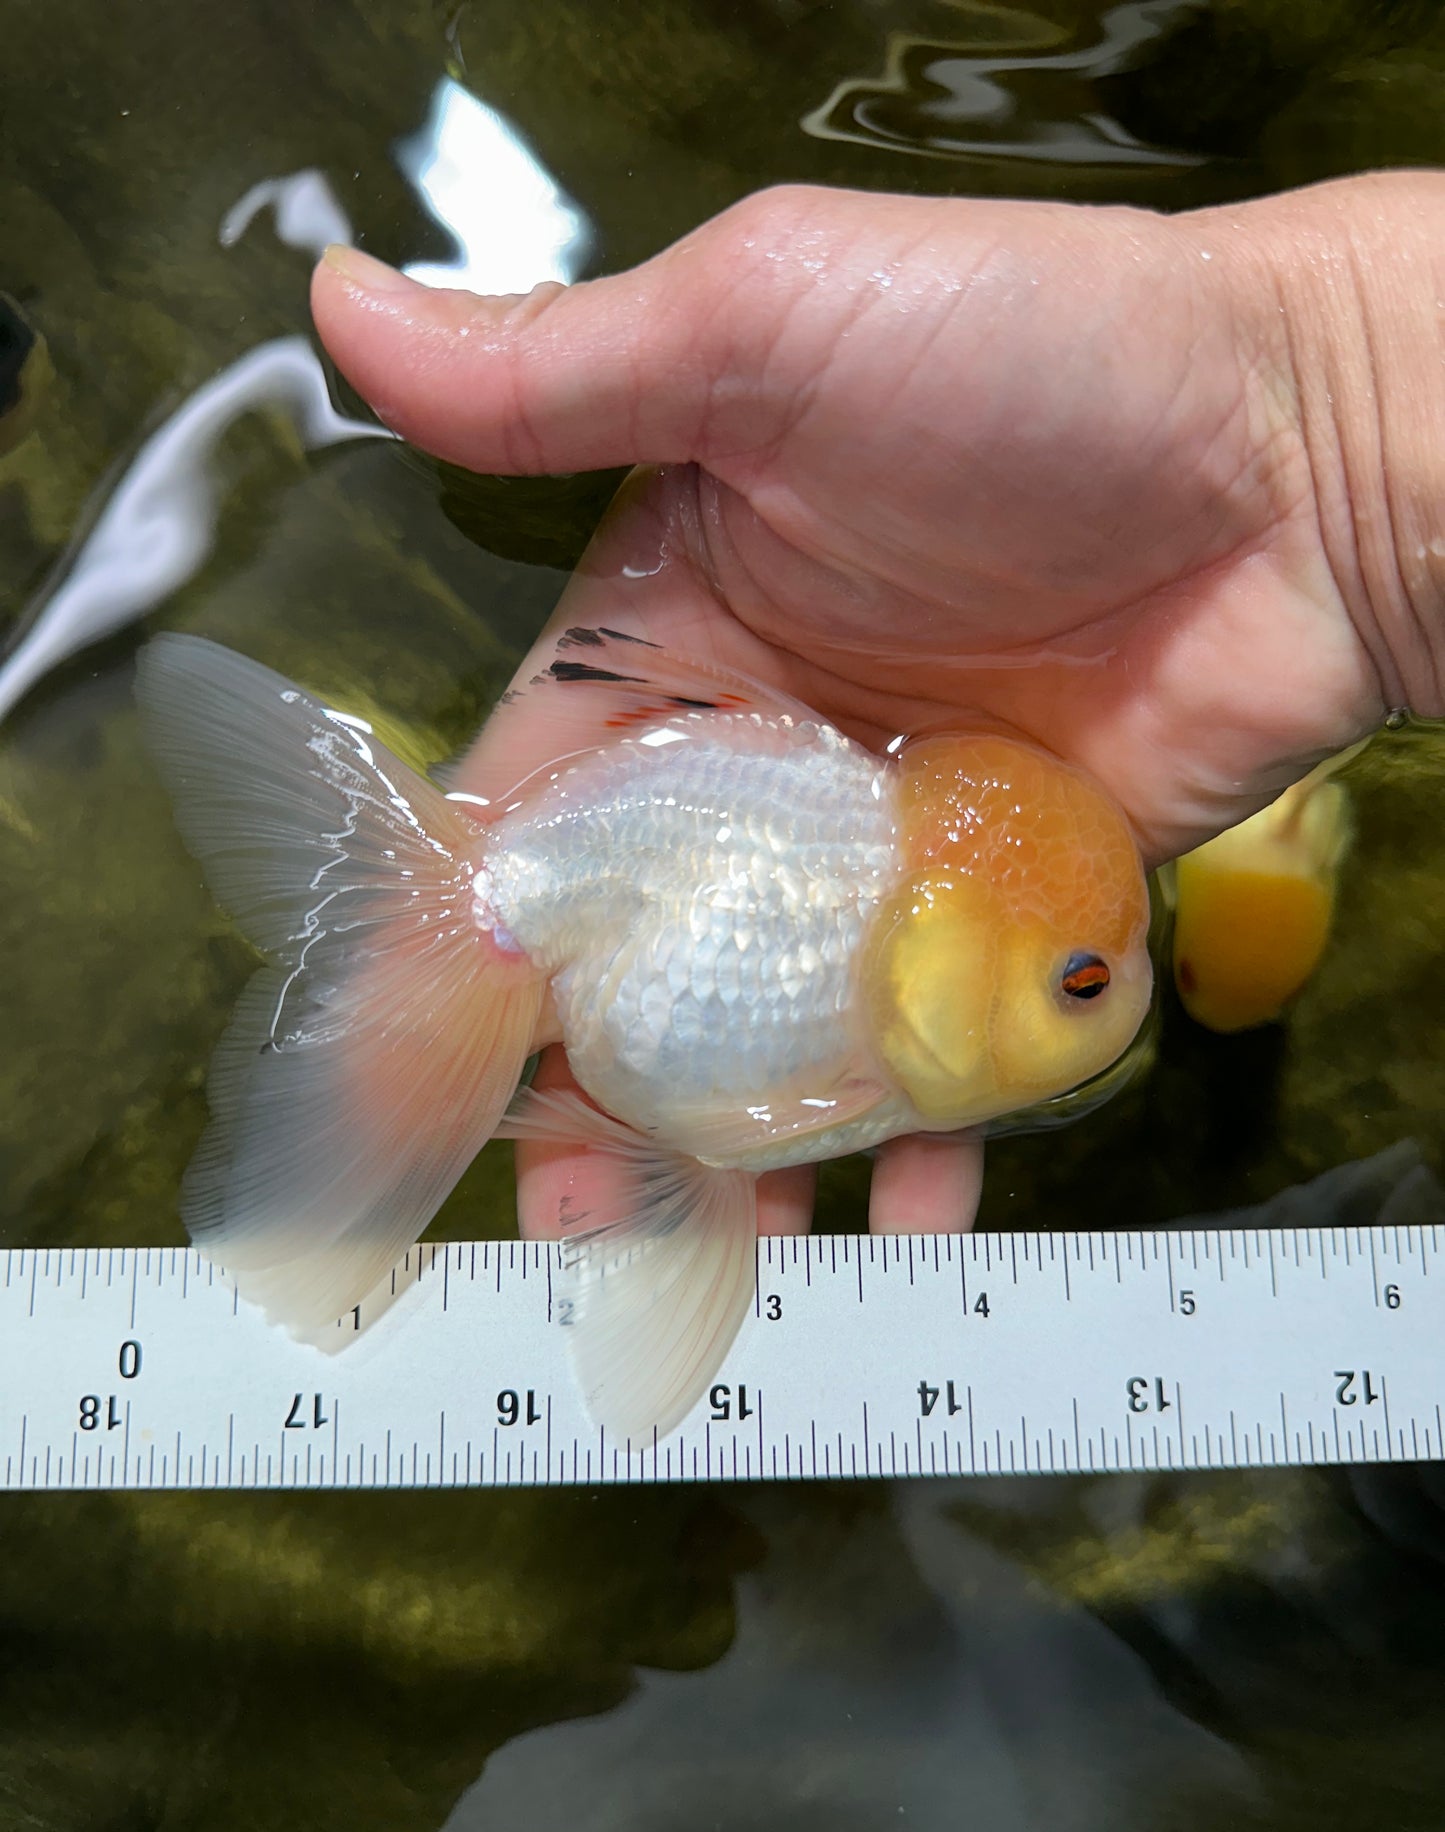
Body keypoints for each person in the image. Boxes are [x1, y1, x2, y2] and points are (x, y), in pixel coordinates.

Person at [308, 169, 1445, 1244]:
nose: (1114, 993)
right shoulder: (854, 868)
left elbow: (712, 1122)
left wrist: (1329, 414)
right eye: (1079, 981)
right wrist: (1331, 425)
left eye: (1087, 975)